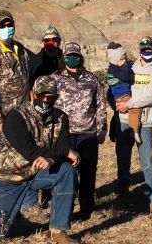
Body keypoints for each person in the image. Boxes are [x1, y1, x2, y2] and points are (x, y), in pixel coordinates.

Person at [0, 75, 80, 244]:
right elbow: (28, 150)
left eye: (50, 97)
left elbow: (62, 149)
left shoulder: (61, 118)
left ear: (56, 98)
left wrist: (52, 159)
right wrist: (61, 152)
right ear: (32, 95)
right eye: (41, 96)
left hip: (36, 174)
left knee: (66, 171)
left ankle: (58, 231)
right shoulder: (16, 116)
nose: (45, 100)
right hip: (7, 178)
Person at [51, 42, 107, 220]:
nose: (72, 58)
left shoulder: (92, 79)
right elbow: (49, 105)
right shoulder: (55, 78)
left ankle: (87, 208)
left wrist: (102, 129)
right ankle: (64, 210)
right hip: (64, 134)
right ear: (64, 57)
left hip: (88, 132)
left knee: (89, 171)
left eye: (76, 55)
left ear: (80, 57)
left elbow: (100, 105)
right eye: (69, 55)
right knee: (66, 172)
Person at [114, 37, 152, 215]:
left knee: (147, 162)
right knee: (123, 161)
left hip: (146, 122)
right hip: (124, 121)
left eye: (150, 49)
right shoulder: (130, 67)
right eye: (144, 49)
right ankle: (122, 195)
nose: (147, 52)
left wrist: (129, 104)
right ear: (139, 50)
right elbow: (117, 85)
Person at [27, 24, 64, 209]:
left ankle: (51, 193)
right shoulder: (35, 61)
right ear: (43, 42)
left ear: (59, 42)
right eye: (48, 40)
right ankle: (33, 196)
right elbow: (28, 87)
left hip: (60, 111)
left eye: (54, 40)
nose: (51, 43)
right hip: (39, 111)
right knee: (38, 150)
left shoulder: (64, 59)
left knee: (55, 149)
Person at [0, 10, 30, 152]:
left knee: (19, 156)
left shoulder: (20, 49)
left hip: (21, 114)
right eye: (1, 26)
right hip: (2, 117)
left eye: (9, 25)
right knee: (1, 156)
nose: (6, 28)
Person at [106, 42, 141, 143]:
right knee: (135, 109)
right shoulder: (115, 69)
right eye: (122, 58)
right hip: (122, 96)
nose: (124, 60)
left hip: (120, 96)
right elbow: (125, 76)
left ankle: (114, 130)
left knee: (118, 114)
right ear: (115, 59)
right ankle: (134, 130)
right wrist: (123, 66)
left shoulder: (114, 67)